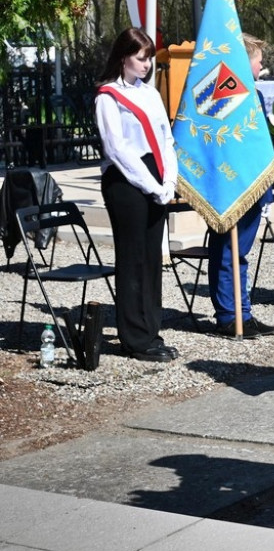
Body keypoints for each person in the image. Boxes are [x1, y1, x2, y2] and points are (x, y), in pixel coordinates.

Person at [94, 28, 178, 362]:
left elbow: (166, 137)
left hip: (156, 177)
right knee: (132, 258)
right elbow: (118, 148)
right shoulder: (107, 96)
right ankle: (134, 338)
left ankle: (150, 330)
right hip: (127, 182)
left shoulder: (150, 93)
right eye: (141, 58)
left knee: (152, 259)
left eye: (149, 59)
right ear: (124, 56)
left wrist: (169, 179)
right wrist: (152, 185)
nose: (146, 65)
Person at [206, 33, 274, 338]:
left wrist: (267, 191)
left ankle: (243, 312)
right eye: (259, 59)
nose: (263, 64)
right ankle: (227, 316)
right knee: (226, 252)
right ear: (245, 61)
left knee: (241, 253)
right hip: (229, 186)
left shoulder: (256, 96)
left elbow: (261, 148)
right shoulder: (219, 95)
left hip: (252, 187)